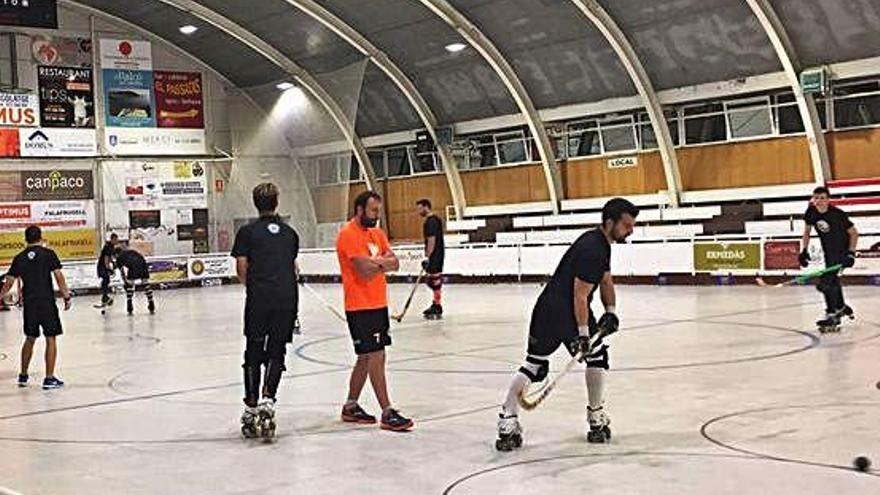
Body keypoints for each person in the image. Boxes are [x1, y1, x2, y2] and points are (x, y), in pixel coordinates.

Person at [495, 198, 638, 451]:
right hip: (567, 310)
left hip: (545, 308)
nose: (631, 230)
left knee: (534, 366)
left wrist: (611, 311)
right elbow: (579, 295)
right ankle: (596, 417)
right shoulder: (594, 250)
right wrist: (583, 335)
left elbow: (605, 281)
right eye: (626, 225)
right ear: (609, 223)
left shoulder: (598, 242)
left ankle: (507, 420)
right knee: (597, 358)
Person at [336, 191, 413, 432]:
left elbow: (395, 263)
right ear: (359, 210)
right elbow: (363, 272)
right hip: (359, 306)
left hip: (378, 304)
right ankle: (387, 410)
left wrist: (376, 263)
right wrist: (382, 263)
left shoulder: (377, 234)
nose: (376, 215)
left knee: (366, 357)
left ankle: (350, 406)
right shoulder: (348, 235)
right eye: (373, 210)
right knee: (376, 355)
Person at [231, 183, 300, 439]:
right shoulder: (290, 234)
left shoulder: (247, 233)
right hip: (286, 298)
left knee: (254, 349)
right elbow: (291, 266)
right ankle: (268, 400)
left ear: (254, 202)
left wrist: (258, 287)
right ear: (277, 202)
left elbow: (241, 269)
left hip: (260, 298)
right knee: (277, 349)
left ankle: (251, 405)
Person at [0, 225, 71, 389]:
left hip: (30, 304)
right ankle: (49, 378)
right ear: (40, 237)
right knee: (50, 338)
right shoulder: (49, 254)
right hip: (46, 302)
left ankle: (23, 376)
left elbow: (9, 282)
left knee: (30, 338)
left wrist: (0, 297)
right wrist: (66, 295)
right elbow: (59, 277)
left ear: (26, 239)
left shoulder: (19, 258)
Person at [800, 186, 858, 330]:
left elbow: (854, 233)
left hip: (842, 252)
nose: (819, 201)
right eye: (816, 198)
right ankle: (841, 307)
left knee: (825, 283)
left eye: (822, 198)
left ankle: (833, 315)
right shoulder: (811, 212)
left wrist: (851, 253)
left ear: (828, 200)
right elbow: (806, 232)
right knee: (831, 281)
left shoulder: (838, 214)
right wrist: (804, 251)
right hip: (828, 252)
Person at [416, 199, 445, 319]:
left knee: (434, 280)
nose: (418, 211)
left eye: (419, 208)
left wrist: (427, 256)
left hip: (435, 254)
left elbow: (431, 240)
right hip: (438, 253)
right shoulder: (435, 219)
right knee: (431, 280)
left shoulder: (431, 222)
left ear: (426, 207)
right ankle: (436, 303)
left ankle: (437, 305)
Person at [113, 245, 154, 315]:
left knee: (130, 285)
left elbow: (122, 272)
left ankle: (129, 305)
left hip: (133, 266)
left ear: (116, 254)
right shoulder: (130, 251)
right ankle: (151, 303)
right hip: (142, 263)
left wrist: (125, 282)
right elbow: (140, 256)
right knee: (145, 283)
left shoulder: (119, 258)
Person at [97, 233, 119, 307]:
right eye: (116, 239)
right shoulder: (108, 247)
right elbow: (106, 258)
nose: (117, 241)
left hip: (103, 266)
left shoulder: (111, 246)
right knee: (106, 280)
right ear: (112, 239)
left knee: (107, 280)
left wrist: (113, 263)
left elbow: (109, 257)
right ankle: (104, 297)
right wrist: (108, 268)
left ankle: (105, 297)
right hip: (102, 266)